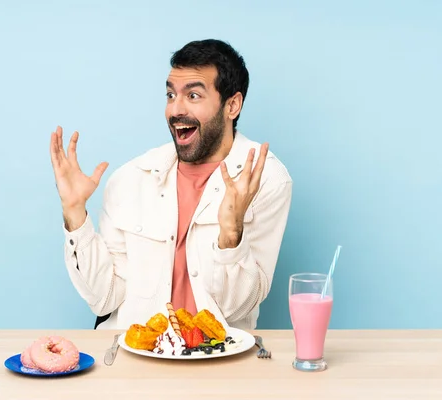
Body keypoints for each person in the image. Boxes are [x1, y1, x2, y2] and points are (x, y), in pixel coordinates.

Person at [49, 39, 293, 330]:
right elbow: (104, 298)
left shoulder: (266, 180)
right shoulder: (130, 179)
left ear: (232, 105)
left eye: (193, 95)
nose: (175, 109)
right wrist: (75, 213)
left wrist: (231, 235)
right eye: (170, 94)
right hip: (135, 356)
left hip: (216, 361)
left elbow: (235, 307)